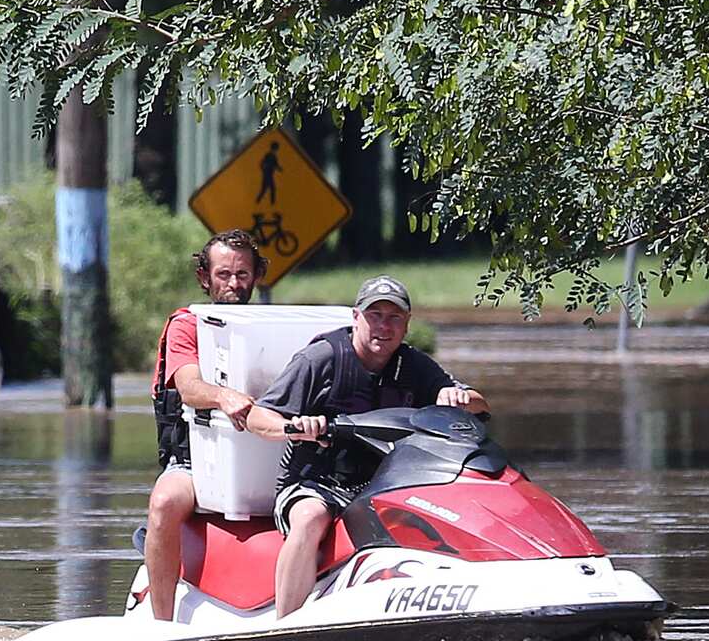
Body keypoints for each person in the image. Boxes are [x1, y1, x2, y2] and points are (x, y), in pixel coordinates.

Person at [246, 275, 490, 618]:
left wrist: (458, 398)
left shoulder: (414, 365)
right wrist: (295, 427)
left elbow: (480, 404)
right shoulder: (321, 359)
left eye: (394, 318)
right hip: (316, 483)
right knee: (310, 518)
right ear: (356, 317)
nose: (384, 326)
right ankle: (286, 626)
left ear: (406, 325)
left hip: (386, 483)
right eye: (375, 315)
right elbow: (258, 418)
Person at [146, 229, 268, 620]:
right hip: (197, 461)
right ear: (205, 278)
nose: (234, 284)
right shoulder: (187, 326)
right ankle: (160, 625)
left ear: (257, 276)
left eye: (243, 275)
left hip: (271, 458)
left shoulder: (276, 325)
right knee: (164, 502)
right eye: (224, 275)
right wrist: (224, 396)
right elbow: (189, 386)